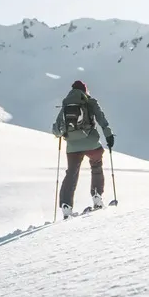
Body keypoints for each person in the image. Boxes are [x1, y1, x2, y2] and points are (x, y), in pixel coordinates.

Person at [52, 80, 114, 218]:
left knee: (71, 174)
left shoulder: (66, 104)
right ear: (85, 90)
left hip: (72, 146)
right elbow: (101, 119)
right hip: (90, 142)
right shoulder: (90, 101)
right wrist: (109, 135)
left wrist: (63, 134)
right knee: (96, 165)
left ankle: (66, 206)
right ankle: (97, 198)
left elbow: (56, 129)